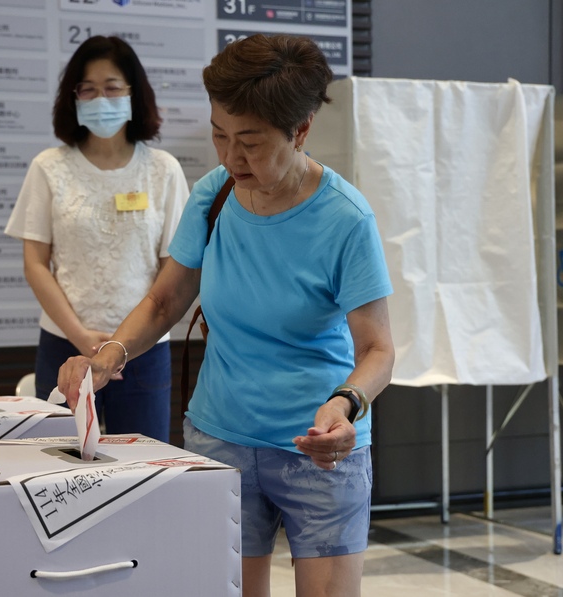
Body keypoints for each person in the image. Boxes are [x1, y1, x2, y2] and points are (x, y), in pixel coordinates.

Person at [57, 34, 395, 596]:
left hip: (320, 452)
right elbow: (164, 301)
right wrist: (105, 357)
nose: (231, 157)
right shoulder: (214, 195)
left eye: (251, 142)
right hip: (220, 438)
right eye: (220, 135)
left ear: (301, 130)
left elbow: (378, 351)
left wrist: (346, 404)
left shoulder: (346, 220)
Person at [4, 35, 189, 442]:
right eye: (87, 89)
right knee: (56, 465)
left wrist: (124, 342)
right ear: (73, 97)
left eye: (111, 87)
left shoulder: (163, 170)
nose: (99, 98)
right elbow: (36, 263)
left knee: (143, 470)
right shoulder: (49, 167)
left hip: (143, 349)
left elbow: (171, 269)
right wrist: (80, 335)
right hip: (64, 343)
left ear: (132, 94)